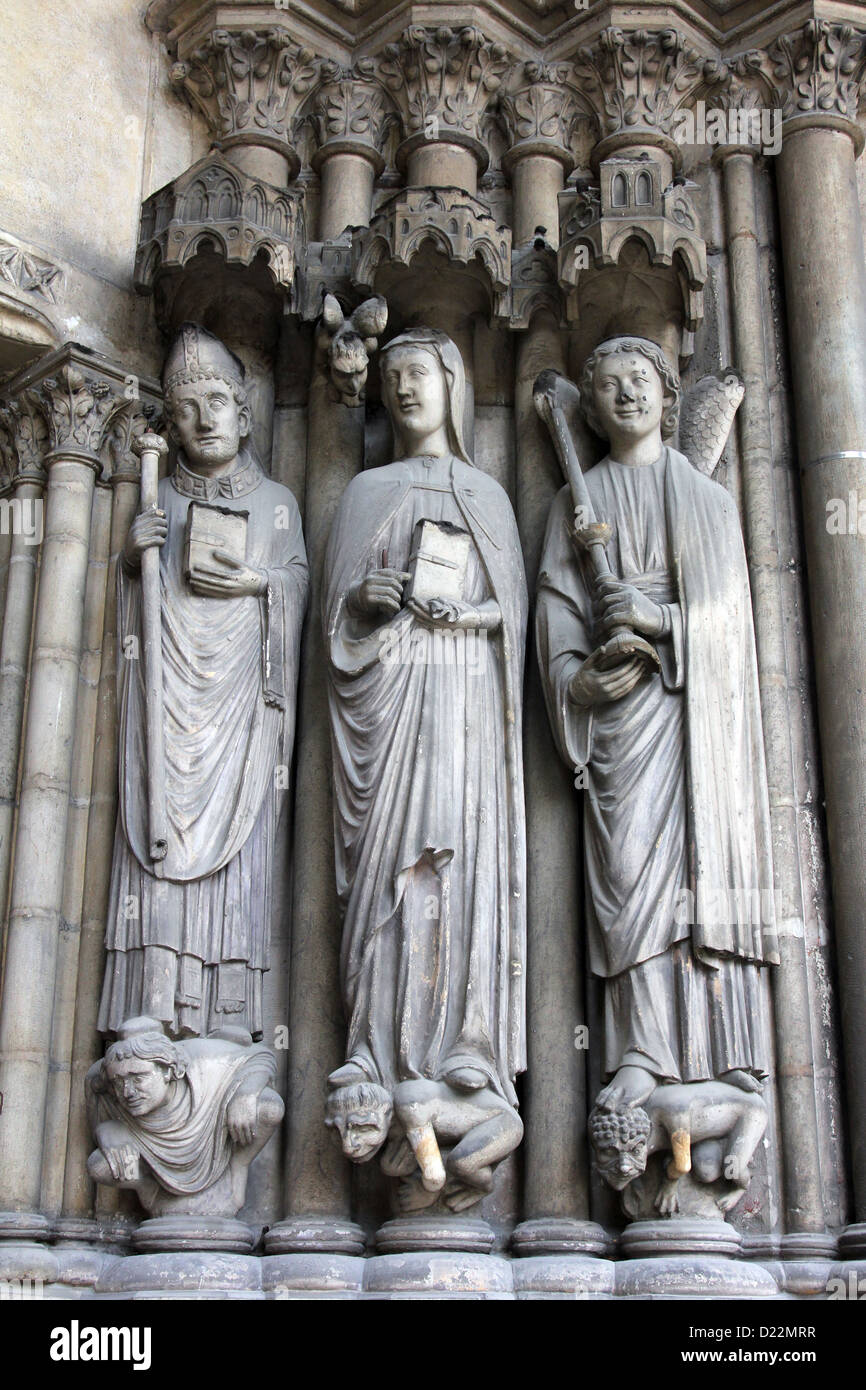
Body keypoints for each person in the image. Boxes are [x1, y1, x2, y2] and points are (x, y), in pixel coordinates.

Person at [536, 336, 778, 1113]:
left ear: (669, 397)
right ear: (593, 408)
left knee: (703, 866)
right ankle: (641, 1048)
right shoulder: (575, 504)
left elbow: (731, 626)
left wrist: (660, 616)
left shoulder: (709, 502)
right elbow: (555, 610)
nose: (627, 395)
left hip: (693, 717)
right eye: (607, 386)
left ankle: (718, 1045)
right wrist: (577, 682)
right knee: (628, 869)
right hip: (621, 720)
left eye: (640, 381)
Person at [323, 327, 527, 1114]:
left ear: (452, 385)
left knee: (459, 861)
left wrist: (473, 615)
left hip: (466, 703)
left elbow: (512, 619)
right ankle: (374, 1048)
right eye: (390, 377)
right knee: (392, 870)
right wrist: (365, 604)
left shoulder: (490, 497)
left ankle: (469, 1046)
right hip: (391, 699)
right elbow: (335, 633)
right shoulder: (367, 493)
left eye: (417, 373)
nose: (403, 389)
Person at [98, 324, 308, 1041]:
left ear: (246, 412)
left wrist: (260, 584)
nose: (205, 418)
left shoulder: (278, 503)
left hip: (241, 717)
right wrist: (133, 563)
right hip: (166, 712)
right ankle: (153, 1005)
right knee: (154, 840)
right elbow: (127, 632)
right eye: (187, 408)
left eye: (217, 400)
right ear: (171, 423)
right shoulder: (162, 506)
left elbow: (296, 591)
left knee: (243, 847)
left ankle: (225, 1018)